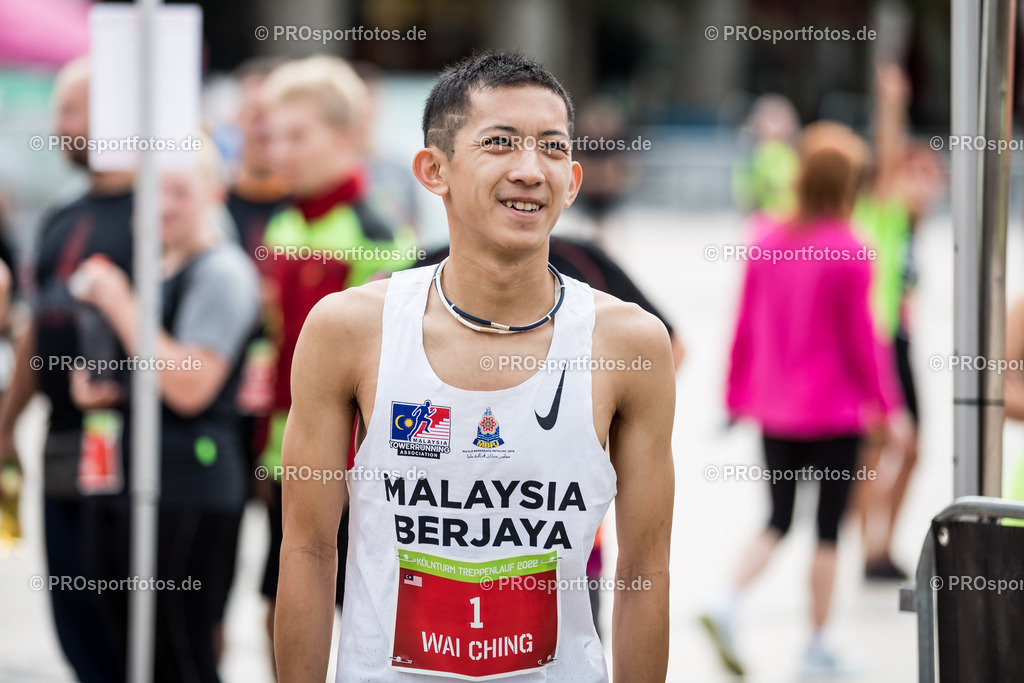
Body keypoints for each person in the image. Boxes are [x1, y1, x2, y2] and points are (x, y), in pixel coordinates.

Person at [274, 51, 674, 681]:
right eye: (500, 143)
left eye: (550, 148)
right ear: (435, 171)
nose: (529, 170)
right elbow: (306, 548)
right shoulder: (349, 329)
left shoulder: (628, 343)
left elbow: (645, 569)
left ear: (573, 181)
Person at [702, 122, 898, 677]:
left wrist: (736, 395)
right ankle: (816, 643)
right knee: (829, 530)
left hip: (776, 410)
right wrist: (887, 407)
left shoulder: (764, 239)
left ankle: (726, 601)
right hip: (836, 414)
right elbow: (865, 341)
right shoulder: (852, 248)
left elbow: (742, 327)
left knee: (778, 519)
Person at [69, 138, 260, 682]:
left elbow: (190, 385)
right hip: (128, 482)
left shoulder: (220, 273)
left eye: (181, 192)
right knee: (133, 650)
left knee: (181, 654)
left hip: (189, 489)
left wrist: (119, 303)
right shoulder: (153, 269)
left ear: (213, 195)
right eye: (154, 192)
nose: (164, 206)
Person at [257, 55, 414, 677]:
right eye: (275, 137)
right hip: (277, 450)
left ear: (345, 138)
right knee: (277, 597)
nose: (281, 152)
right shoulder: (284, 220)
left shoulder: (377, 231)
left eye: (298, 136)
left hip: (350, 464)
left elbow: (387, 360)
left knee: (363, 611)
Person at [0, 57, 133, 683]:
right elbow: (36, 331)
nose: (58, 126)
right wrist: (5, 423)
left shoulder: (155, 212)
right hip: (61, 446)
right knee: (74, 620)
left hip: (137, 456)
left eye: (70, 110)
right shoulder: (57, 216)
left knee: (129, 628)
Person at [851, 62, 944, 580]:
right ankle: (868, 545)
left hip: (900, 340)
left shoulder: (908, 229)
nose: (929, 187)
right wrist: (893, 103)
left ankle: (881, 542)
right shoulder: (881, 211)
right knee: (888, 444)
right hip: (879, 342)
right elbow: (888, 156)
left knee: (911, 450)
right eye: (921, 175)